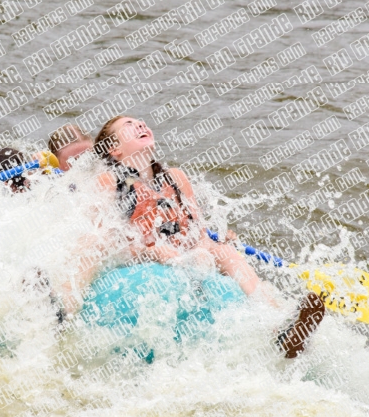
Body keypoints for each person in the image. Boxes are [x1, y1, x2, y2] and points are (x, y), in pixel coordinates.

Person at [92, 115, 324, 357]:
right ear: (114, 149)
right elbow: (104, 243)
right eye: (129, 125)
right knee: (182, 253)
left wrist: (211, 246)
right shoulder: (108, 181)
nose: (140, 125)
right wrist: (148, 252)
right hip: (144, 262)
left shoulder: (175, 177)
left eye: (141, 122)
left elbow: (196, 231)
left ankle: (280, 326)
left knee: (222, 251)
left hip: (185, 257)